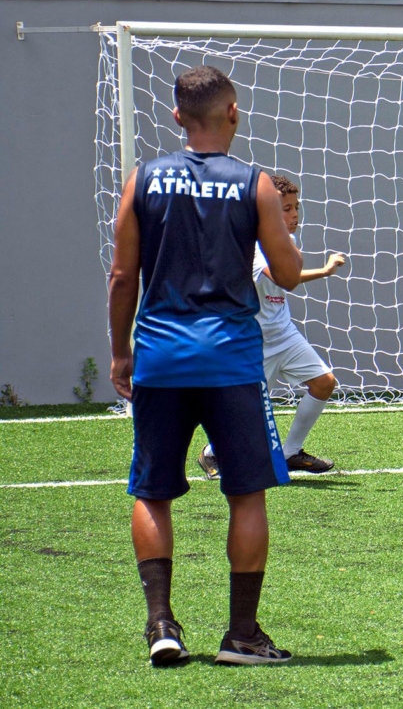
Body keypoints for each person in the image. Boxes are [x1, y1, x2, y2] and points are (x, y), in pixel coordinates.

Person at [108, 65, 302, 666]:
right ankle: (242, 635)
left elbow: (121, 276)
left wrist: (120, 352)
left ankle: (161, 625)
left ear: (176, 117)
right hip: (231, 362)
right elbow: (288, 273)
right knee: (246, 494)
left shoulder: (143, 178)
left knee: (152, 490)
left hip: (161, 358)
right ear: (234, 113)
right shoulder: (256, 184)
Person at [198, 174, 345, 480]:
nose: (294, 216)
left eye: (296, 208)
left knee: (324, 382)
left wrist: (320, 268)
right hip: (255, 339)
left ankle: (291, 451)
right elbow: (283, 277)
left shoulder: (283, 240)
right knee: (245, 409)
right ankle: (211, 451)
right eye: (285, 209)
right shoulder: (252, 244)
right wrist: (325, 270)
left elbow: (285, 277)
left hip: (284, 333)